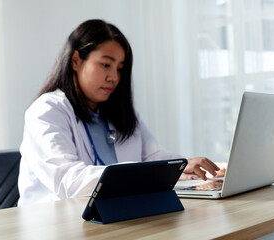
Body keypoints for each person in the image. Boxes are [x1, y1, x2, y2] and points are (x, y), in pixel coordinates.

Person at [18, 19, 225, 206]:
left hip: (114, 215)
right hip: (53, 224)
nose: (114, 77)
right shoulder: (47, 111)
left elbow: (154, 157)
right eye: (106, 65)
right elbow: (68, 182)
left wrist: (188, 167)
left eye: (119, 68)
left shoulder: (119, 113)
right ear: (76, 61)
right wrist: (150, 172)